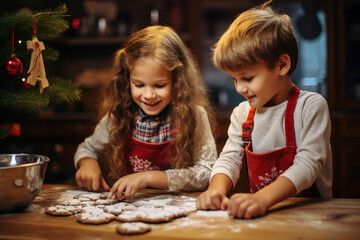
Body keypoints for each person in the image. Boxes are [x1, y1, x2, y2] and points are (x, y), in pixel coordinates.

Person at [196, 1, 332, 219]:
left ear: (281, 65)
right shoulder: (242, 114)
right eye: (234, 79)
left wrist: (261, 198)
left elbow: (307, 165)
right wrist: (215, 191)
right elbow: (229, 159)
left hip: (311, 215)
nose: (240, 88)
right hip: (265, 213)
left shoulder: (310, 107)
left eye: (248, 78)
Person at [74, 25, 218, 200]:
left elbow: (207, 172)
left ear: (178, 81)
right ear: (127, 81)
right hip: (131, 208)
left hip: (178, 212)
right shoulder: (120, 116)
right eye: (139, 85)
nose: (149, 95)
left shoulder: (194, 116)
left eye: (159, 85)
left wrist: (147, 177)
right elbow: (86, 149)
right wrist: (87, 163)